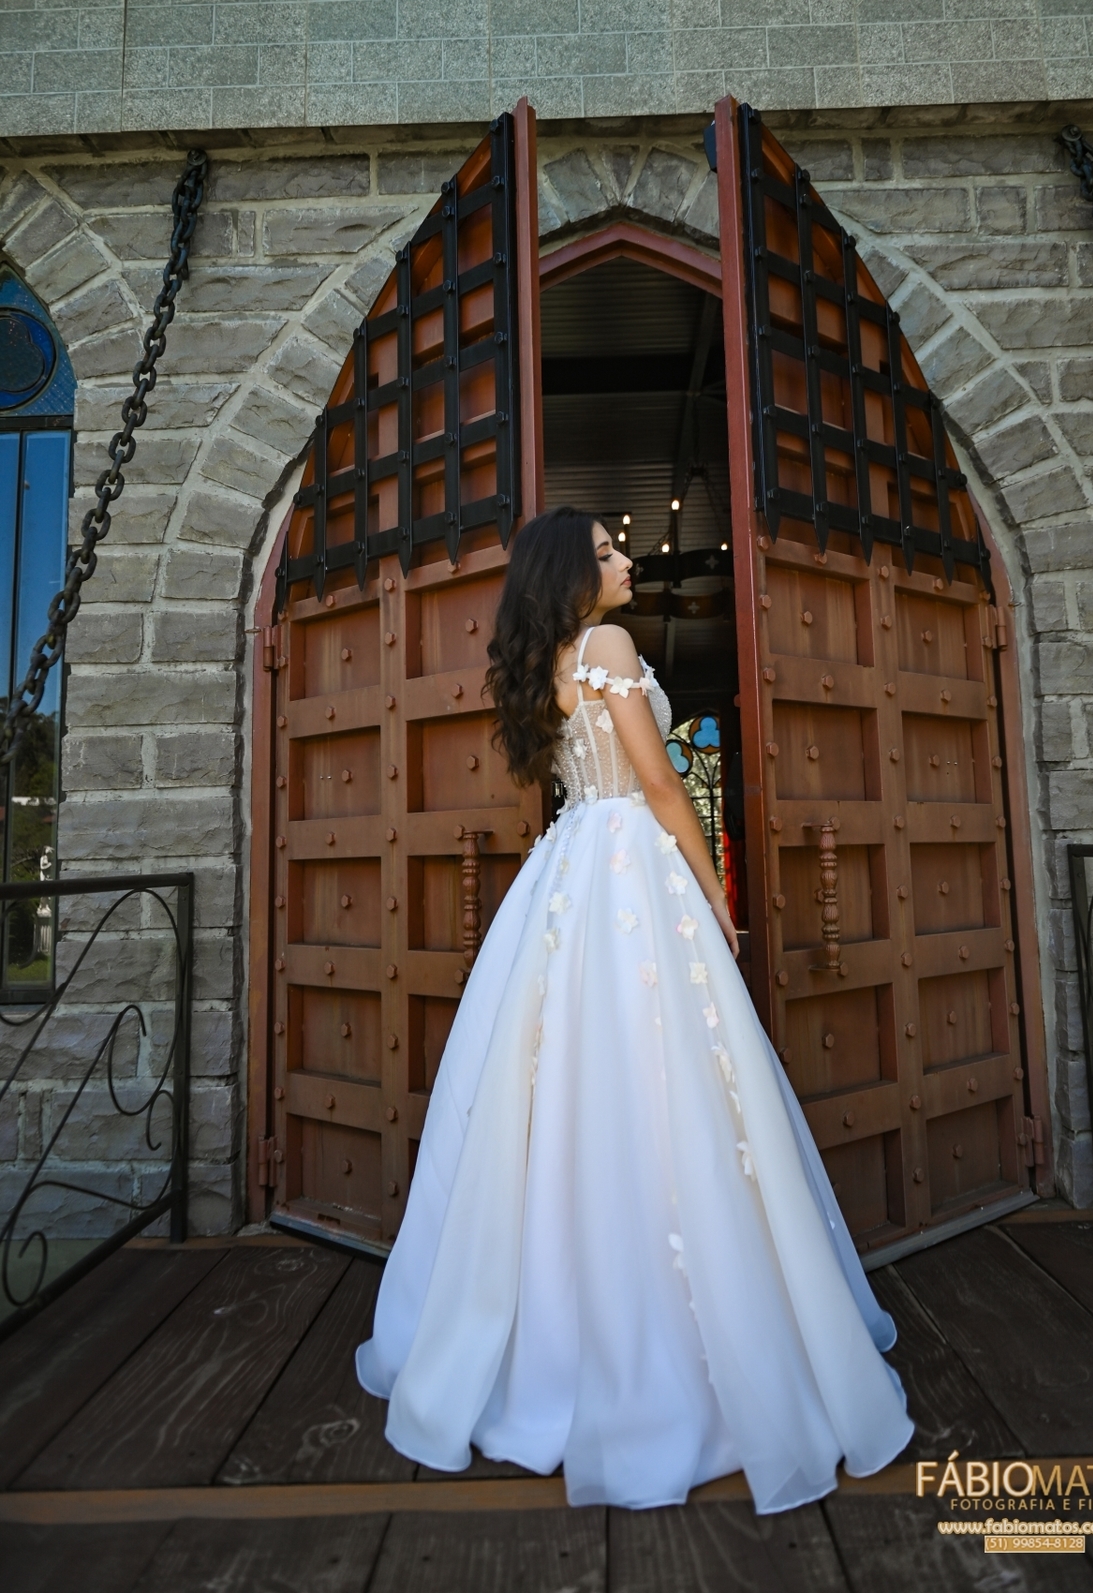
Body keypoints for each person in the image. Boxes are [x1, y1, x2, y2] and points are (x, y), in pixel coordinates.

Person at [356, 506, 914, 1513]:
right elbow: (658, 782)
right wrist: (714, 892)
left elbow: (598, 779)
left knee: (560, 1093)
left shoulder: (550, 662)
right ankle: (694, 1353)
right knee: (669, 1084)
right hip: (627, 870)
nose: (627, 561)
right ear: (574, 575)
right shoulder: (608, 641)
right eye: (609, 553)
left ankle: (548, 1325)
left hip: (568, 867)